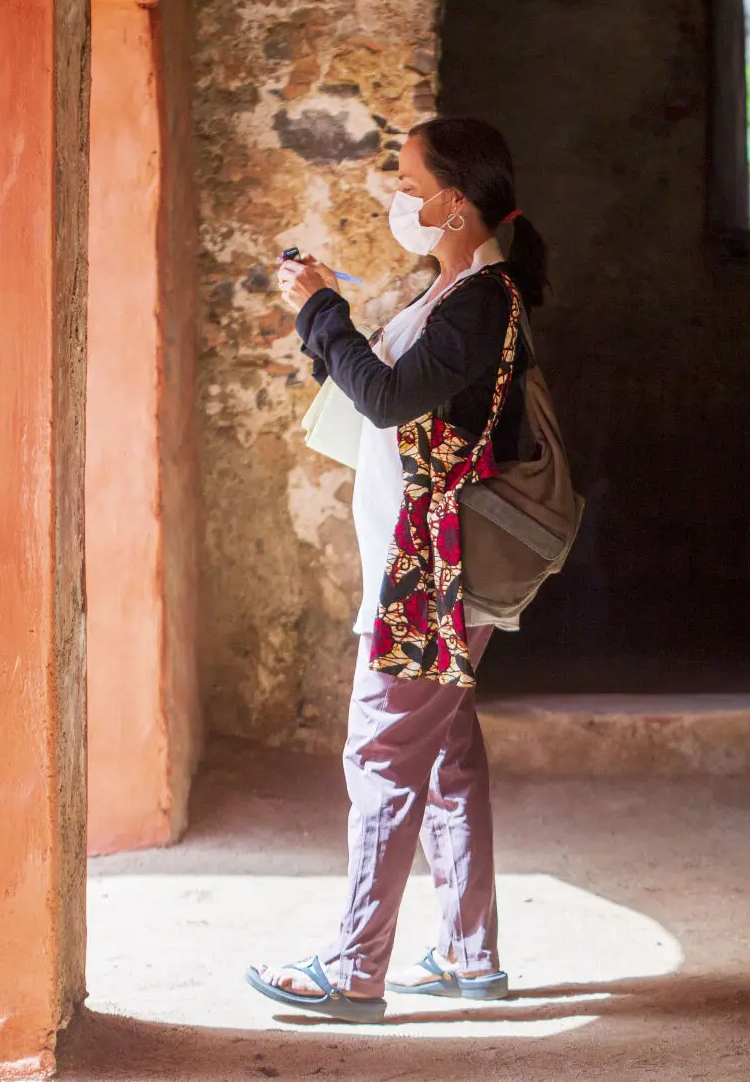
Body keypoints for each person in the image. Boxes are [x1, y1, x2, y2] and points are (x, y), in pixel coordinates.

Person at [244, 116, 550, 1023]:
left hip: (433, 575)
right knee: (444, 755)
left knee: (382, 752)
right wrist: (329, 318)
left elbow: (382, 399)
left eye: (411, 184)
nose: (399, 199)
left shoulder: (481, 300)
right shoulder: (457, 290)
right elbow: (383, 384)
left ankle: (354, 967)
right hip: (422, 560)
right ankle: (467, 953)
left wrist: (319, 310)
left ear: (455, 203)